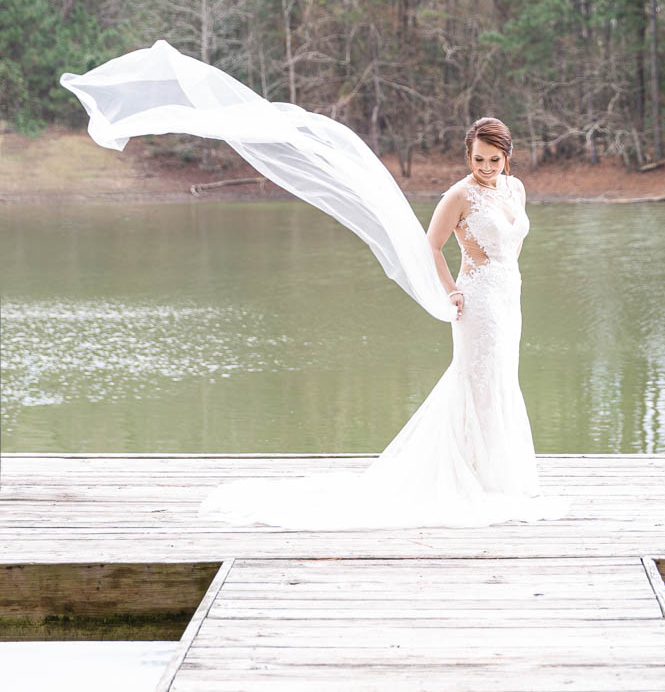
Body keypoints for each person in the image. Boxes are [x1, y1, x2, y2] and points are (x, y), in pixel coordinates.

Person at [60, 42, 568, 528]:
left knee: (503, 378)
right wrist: (451, 290)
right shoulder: (458, 196)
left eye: (493, 161)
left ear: (507, 158)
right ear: (468, 156)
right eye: (478, 159)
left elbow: (512, 243)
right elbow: (431, 247)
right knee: (476, 381)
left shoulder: (515, 189)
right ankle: (467, 474)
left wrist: (508, 277)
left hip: (509, 297)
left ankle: (497, 473)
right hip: (477, 301)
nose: (485, 168)